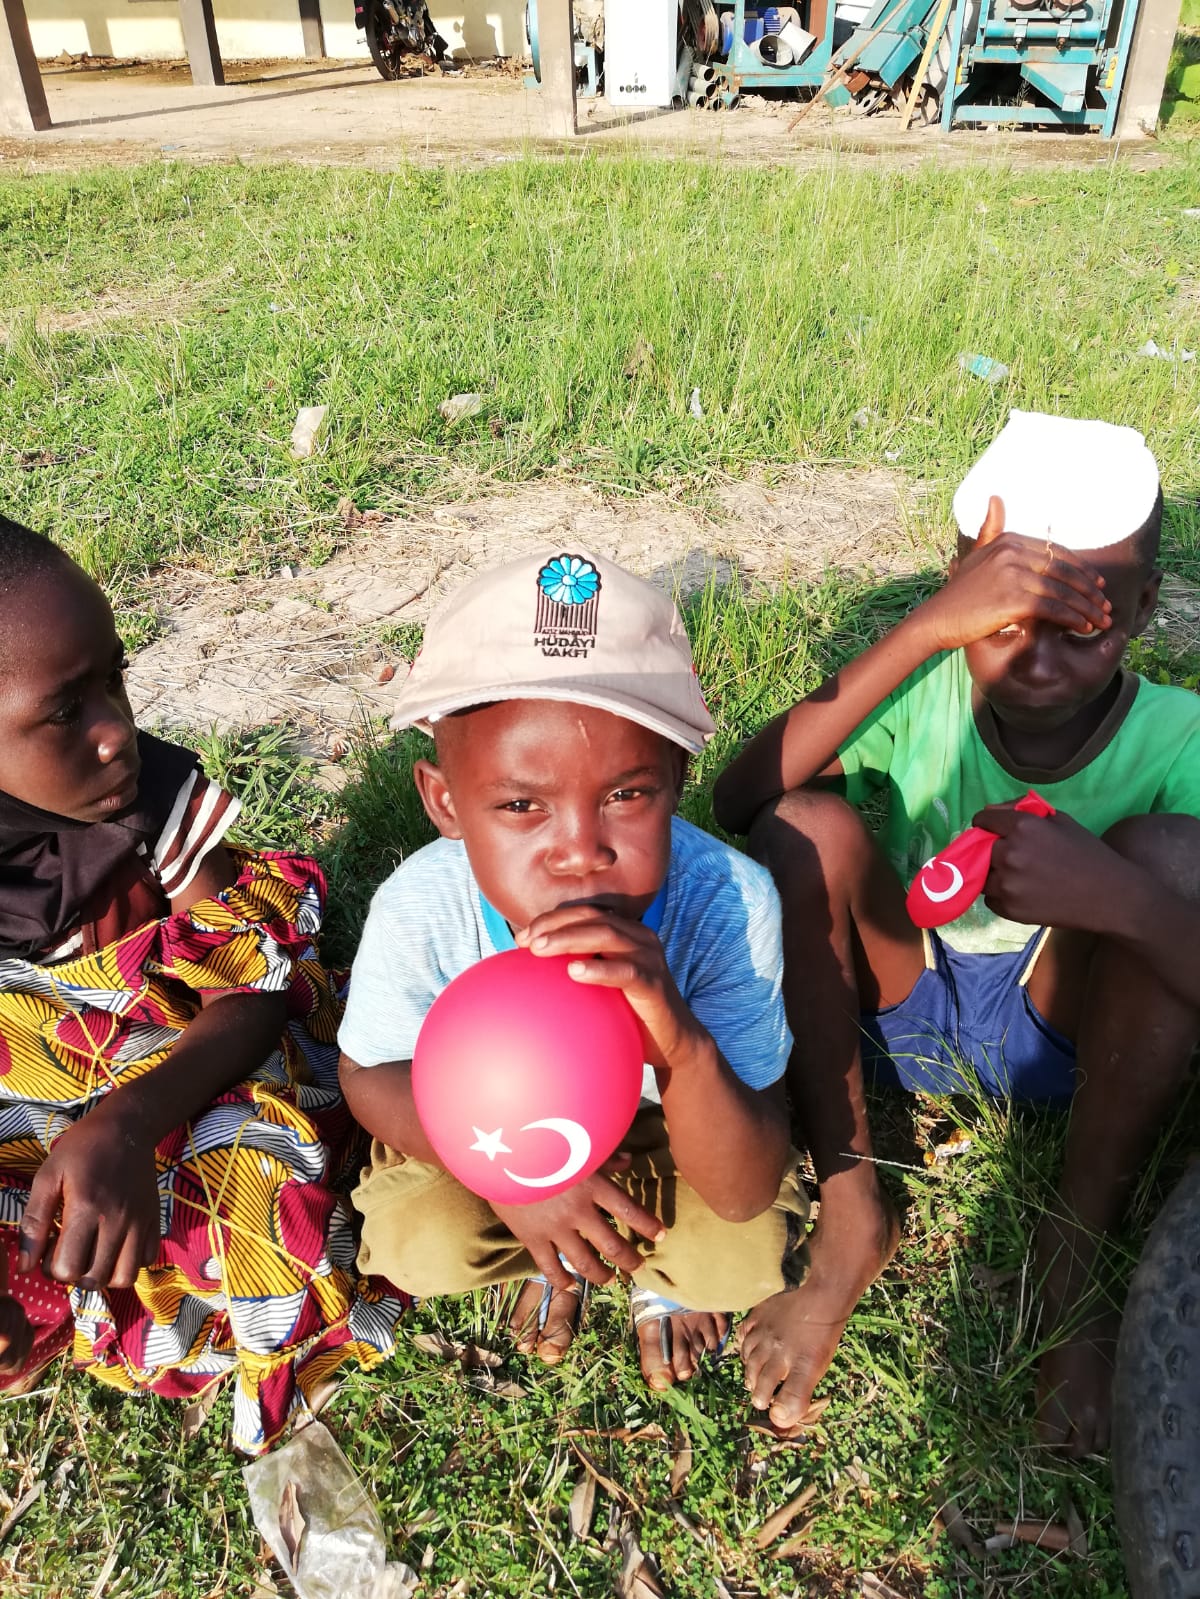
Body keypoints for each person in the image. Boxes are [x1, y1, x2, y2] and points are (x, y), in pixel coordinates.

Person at [713, 410, 1200, 1456]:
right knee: (806, 825)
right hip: (903, 1009)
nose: (1036, 658)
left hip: (1073, 1028)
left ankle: (1075, 1252)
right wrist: (926, 631)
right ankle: (851, 1222)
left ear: (1147, 609)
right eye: (1001, 618)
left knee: (1170, 858)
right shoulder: (927, 684)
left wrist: (1112, 894)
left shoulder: (1181, 739)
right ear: (957, 587)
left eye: (1087, 624)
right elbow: (742, 796)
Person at [338, 549, 809, 1392]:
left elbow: (741, 1188)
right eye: (521, 805)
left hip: (674, 1138)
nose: (580, 851)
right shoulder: (422, 907)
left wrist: (677, 1032)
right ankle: (543, 1252)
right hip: (488, 1137)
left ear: (677, 779)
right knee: (419, 1239)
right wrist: (511, 1181)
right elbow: (368, 1073)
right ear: (444, 799)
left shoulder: (729, 906)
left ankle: (658, 1285)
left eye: (628, 795)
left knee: (737, 1253)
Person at [0, 517, 406, 1454]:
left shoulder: (147, 808)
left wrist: (130, 1122)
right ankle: (39, 1300)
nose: (116, 732)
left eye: (116, 679)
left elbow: (256, 984)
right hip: (40, 1107)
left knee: (265, 1181)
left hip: (197, 1070)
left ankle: (207, 1307)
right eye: (66, 711)